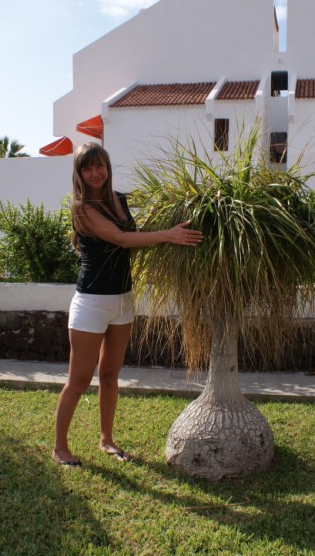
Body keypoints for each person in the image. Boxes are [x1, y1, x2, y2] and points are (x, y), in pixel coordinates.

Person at [52, 143, 203, 466]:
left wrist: (166, 219)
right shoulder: (81, 207)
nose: (95, 173)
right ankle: (60, 448)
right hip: (92, 302)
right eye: (87, 168)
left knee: (110, 374)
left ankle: (106, 440)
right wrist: (167, 235)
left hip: (123, 298)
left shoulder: (119, 200)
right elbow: (121, 239)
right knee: (79, 381)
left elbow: (133, 236)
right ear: (79, 173)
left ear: (108, 167)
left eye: (100, 166)